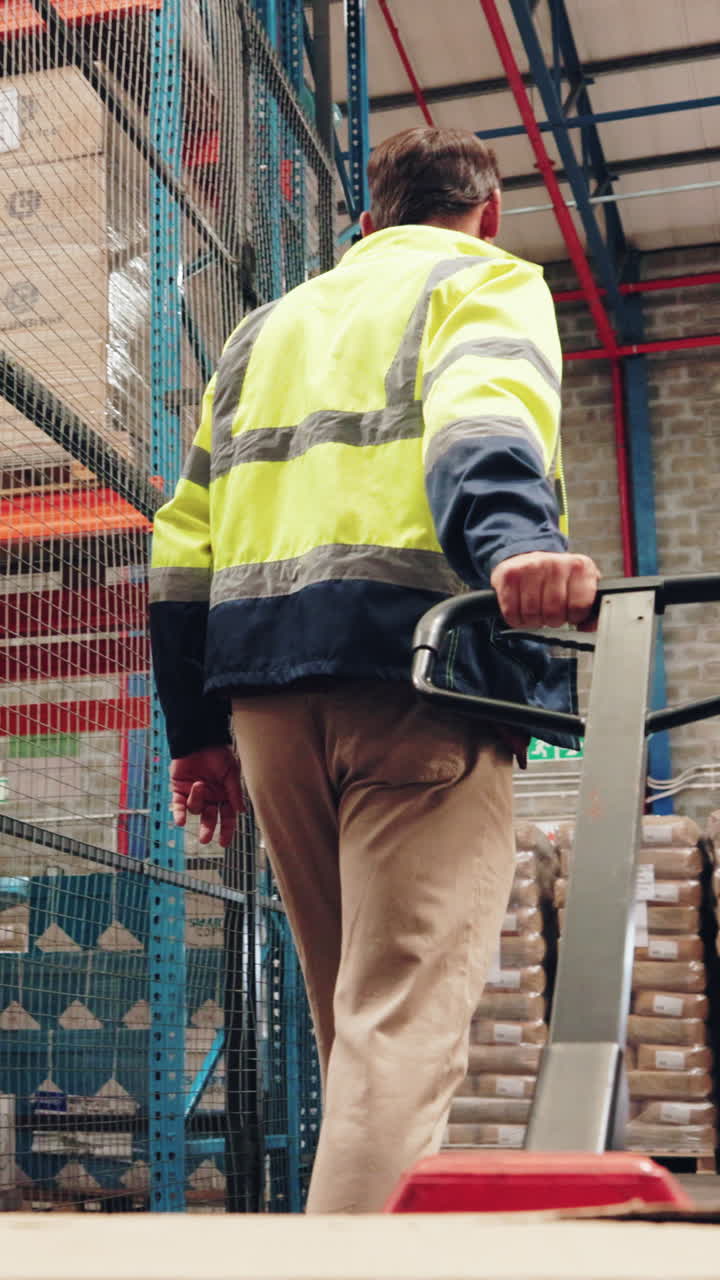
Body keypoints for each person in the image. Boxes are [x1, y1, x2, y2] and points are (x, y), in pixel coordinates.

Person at [149, 126, 599, 1213]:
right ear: (486, 212)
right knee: (398, 1027)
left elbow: (182, 539)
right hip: (418, 679)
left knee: (354, 1021)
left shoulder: (262, 331)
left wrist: (195, 732)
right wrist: (514, 547)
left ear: (364, 224)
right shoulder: (481, 279)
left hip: (263, 701)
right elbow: (482, 419)